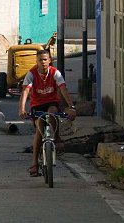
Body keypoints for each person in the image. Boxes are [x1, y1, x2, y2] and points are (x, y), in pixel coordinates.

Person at [18, 48, 76, 177]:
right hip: (37, 106)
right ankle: (34, 164)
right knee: (40, 129)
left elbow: (63, 89)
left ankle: (56, 138)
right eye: (40, 60)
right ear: (36, 61)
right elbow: (25, 92)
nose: (43, 62)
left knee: (52, 114)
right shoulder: (31, 74)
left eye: (45, 59)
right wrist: (22, 109)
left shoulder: (55, 73)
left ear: (49, 60)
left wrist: (71, 107)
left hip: (51, 103)